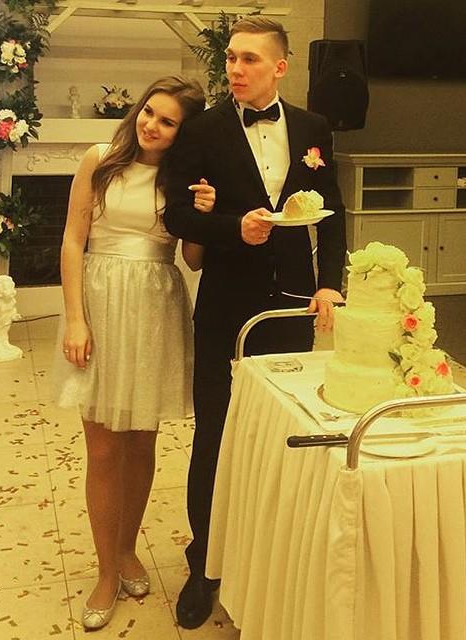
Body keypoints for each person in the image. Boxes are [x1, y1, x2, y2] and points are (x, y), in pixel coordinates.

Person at [163, 17, 346, 629]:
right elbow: (179, 216)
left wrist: (330, 282)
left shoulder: (315, 128)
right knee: (216, 430)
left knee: (286, 431)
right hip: (226, 306)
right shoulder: (203, 129)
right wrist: (230, 228)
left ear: (280, 67)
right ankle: (203, 564)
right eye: (232, 59)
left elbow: (333, 210)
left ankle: (272, 553)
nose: (236, 69)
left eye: (249, 59)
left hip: (292, 307)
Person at [53, 75, 215, 631]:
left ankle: (126, 550)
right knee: (103, 450)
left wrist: (203, 214)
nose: (152, 125)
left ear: (182, 133)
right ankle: (105, 571)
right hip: (98, 304)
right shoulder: (99, 158)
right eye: (150, 112)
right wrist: (76, 318)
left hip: (154, 309)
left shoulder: (183, 179)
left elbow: (192, 260)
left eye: (168, 122)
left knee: (142, 443)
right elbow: (73, 239)